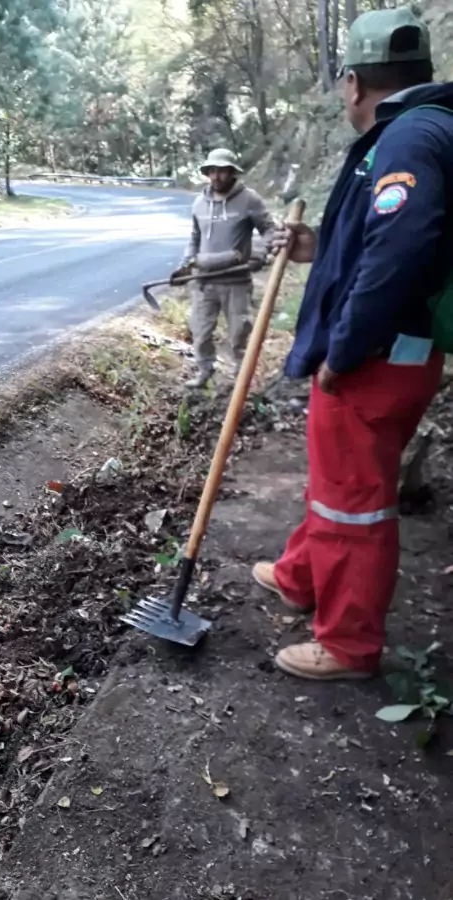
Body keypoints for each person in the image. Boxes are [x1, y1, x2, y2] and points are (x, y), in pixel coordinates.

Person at [253, 6, 453, 680]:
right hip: (388, 352)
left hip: (373, 358)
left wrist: (342, 351)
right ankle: (298, 576)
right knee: (337, 483)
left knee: (353, 503)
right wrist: (316, 248)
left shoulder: (407, 138)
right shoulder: (417, 132)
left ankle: (346, 643)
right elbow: (378, 244)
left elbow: (399, 251)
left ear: (353, 82)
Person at [173, 148, 276, 389]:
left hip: (236, 282)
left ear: (232, 172)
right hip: (204, 281)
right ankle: (204, 371)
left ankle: (241, 379)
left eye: (222, 171)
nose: (217, 176)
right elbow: (194, 239)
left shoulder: (249, 199)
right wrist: (184, 266)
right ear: (207, 172)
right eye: (212, 171)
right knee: (200, 330)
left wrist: (259, 253)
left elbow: (270, 229)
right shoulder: (199, 203)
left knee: (239, 333)